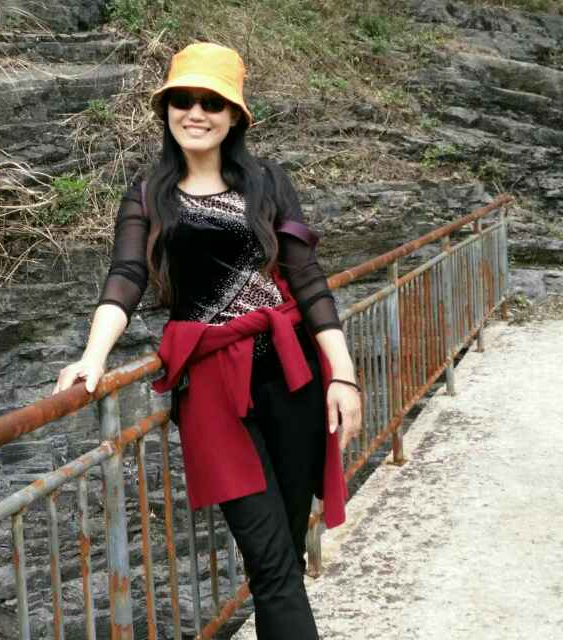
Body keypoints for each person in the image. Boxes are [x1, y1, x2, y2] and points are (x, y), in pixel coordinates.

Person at [53, 42, 362, 640]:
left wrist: (343, 374)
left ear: (235, 115)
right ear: (166, 109)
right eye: (183, 100)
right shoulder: (149, 194)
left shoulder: (269, 183)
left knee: (284, 556)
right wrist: (93, 356)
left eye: (211, 102)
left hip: (292, 381)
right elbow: (126, 276)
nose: (195, 113)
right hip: (214, 394)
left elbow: (307, 280)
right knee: (270, 560)